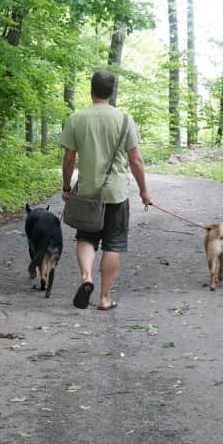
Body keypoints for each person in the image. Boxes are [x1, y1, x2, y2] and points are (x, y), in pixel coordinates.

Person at [60, 70, 153, 311]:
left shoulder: (77, 118)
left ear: (91, 89)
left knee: (85, 237)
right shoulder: (124, 119)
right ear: (112, 91)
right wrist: (144, 190)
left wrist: (67, 187)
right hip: (116, 194)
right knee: (113, 244)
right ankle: (104, 298)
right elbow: (135, 161)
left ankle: (86, 277)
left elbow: (69, 159)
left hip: (88, 193)